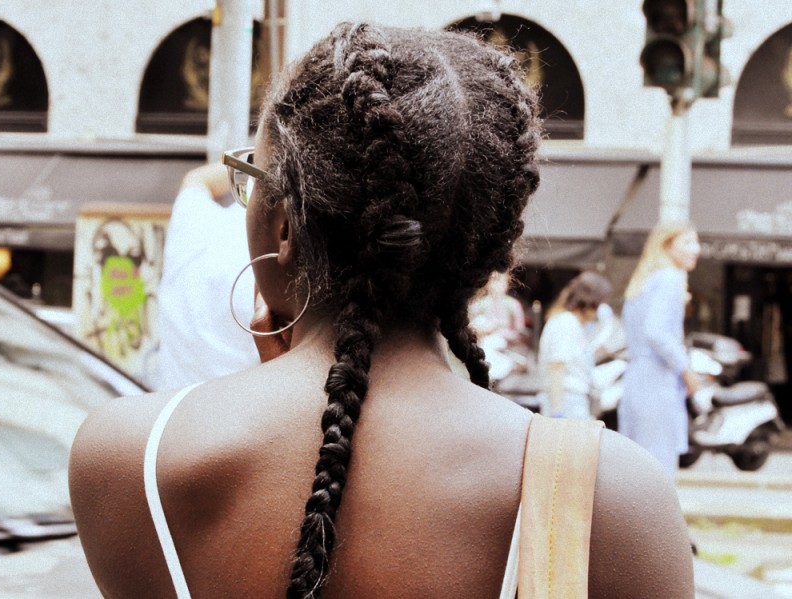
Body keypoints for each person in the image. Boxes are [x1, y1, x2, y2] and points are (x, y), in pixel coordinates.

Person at [69, 23, 694, 598]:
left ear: (284, 225)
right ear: (489, 248)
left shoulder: (128, 457)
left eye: (251, 174)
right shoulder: (616, 501)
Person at [153, 162, 258, 389]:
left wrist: (257, 161)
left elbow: (198, 178)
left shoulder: (193, 223)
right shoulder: (266, 271)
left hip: (168, 411)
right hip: (240, 417)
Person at [618, 222, 702, 476]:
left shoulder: (644, 281)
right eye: (688, 242)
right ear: (667, 245)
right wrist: (685, 368)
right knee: (659, 470)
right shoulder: (670, 278)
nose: (696, 249)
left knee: (636, 468)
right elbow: (656, 332)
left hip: (636, 380)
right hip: (657, 381)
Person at [537, 272, 612, 419]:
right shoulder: (566, 323)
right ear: (591, 301)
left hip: (574, 399)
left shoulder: (575, 325)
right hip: (565, 399)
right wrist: (557, 412)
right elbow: (557, 368)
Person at [469, 271, 527, 381]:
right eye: (494, 281)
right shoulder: (479, 304)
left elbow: (520, 331)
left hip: (506, 348)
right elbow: (473, 329)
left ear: (507, 283)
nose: (497, 285)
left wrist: (506, 335)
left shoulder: (513, 305)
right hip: (485, 348)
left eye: (500, 281)